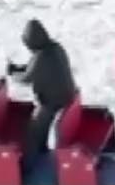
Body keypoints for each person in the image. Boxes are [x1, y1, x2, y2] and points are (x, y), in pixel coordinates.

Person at [6, 18, 78, 174]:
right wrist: (19, 68)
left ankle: (29, 168)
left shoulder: (41, 57)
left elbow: (26, 78)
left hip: (54, 102)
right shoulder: (56, 48)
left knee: (33, 129)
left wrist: (12, 74)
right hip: (68, 95)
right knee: (41, 121)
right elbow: (34, 68)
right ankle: (43, 151)